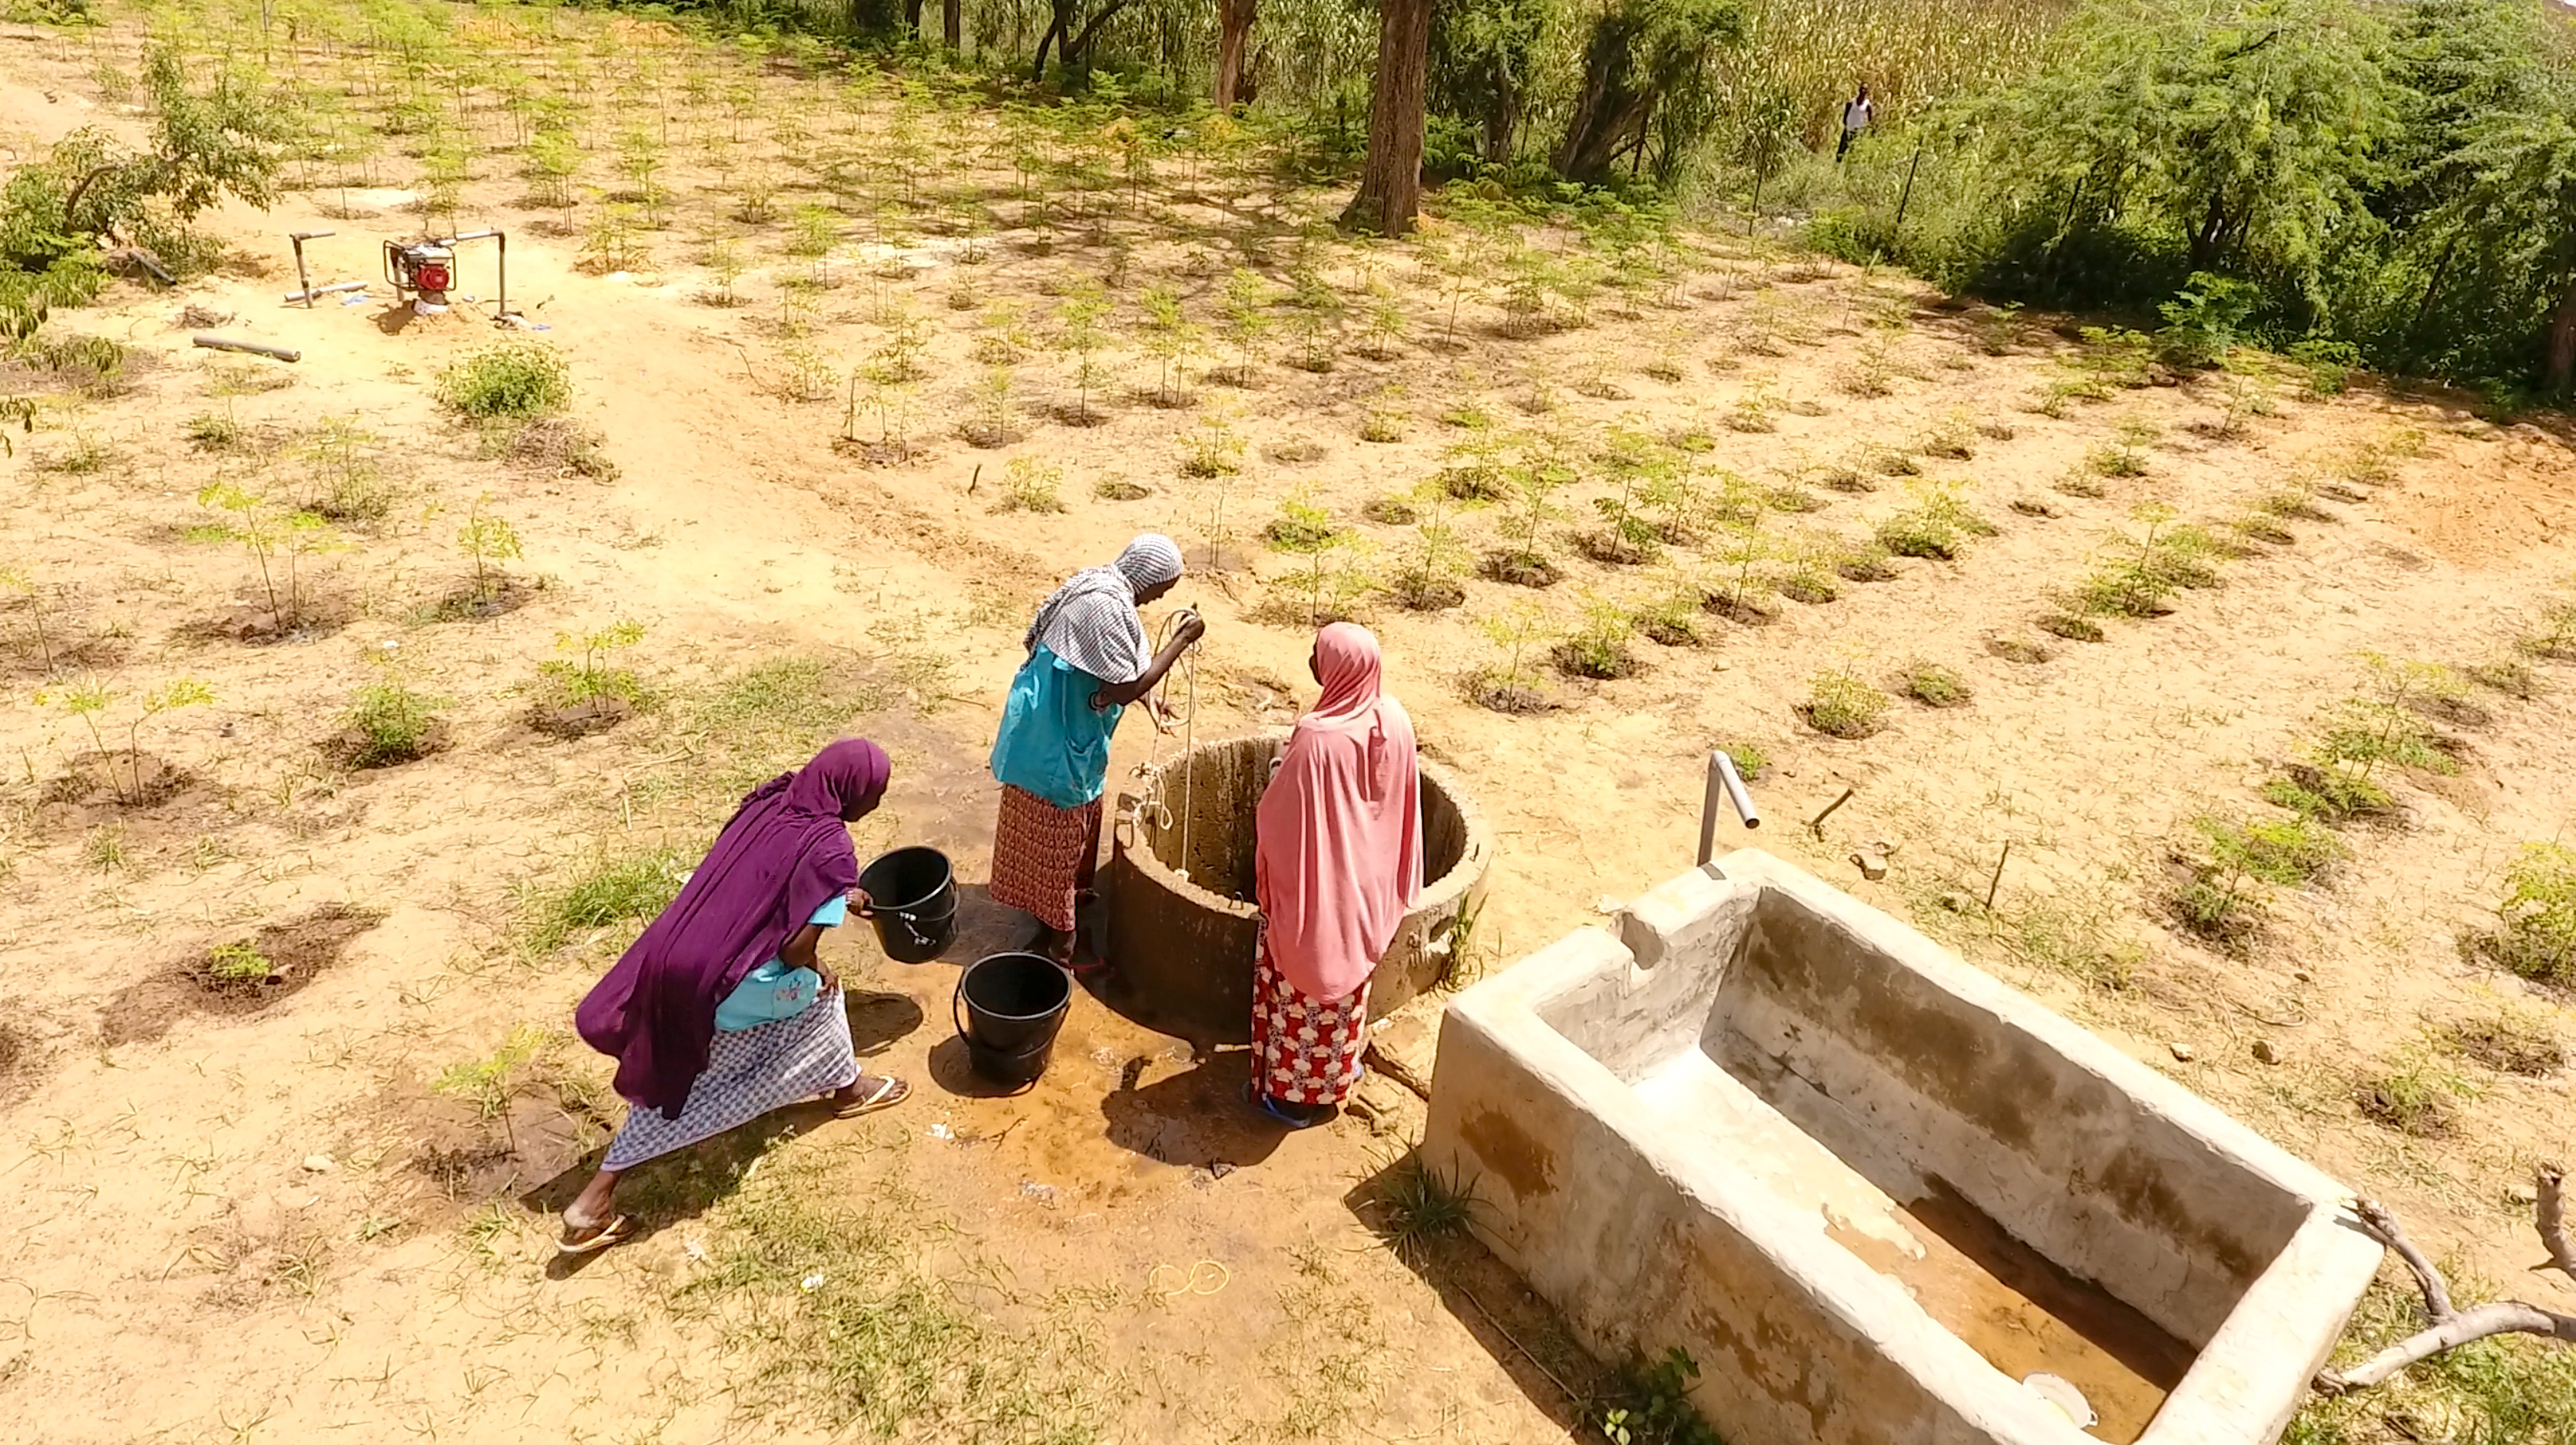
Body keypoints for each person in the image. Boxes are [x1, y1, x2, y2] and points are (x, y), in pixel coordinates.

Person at [559, 739, 910, 1254]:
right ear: (855, 791)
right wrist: (820, 955)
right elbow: (793, 953)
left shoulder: (778, 797)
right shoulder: (831, 848)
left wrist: (840, 892)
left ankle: (844, 1085)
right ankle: (593, 1200)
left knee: (686, 1063)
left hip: (681, 951)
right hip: (724, 980)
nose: (876, 804)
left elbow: (765, 870)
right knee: (818, 1000)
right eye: (876, 793)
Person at [989, 534, 1203, 966]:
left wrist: (1149, 699)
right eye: (1163, 588)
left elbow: (1108, 666)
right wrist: (1180, 641)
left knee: (1068, 834)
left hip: (1055, 730)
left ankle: (1061, 902)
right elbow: (1122, 687)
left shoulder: (1103, 585)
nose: (1160, 597)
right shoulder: (1105, 606)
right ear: (1148, 577)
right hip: (1054, 747)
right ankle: (1061, 946)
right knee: (1055, 840)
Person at [1247, 623, 1422, 1128]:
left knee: (1300, 991)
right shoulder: (1394, 718)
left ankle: (1289, 1097)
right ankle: (1341, 1075)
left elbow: (1277, 818)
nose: (1311, 660)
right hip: (1369, 887)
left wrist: (1282, 771)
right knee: (1349, 988)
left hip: (1318, 891)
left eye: (1317, 654)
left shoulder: (1317, 735)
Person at [1837, 83, 1872, 162]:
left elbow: (1870, 119)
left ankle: (1850, 169)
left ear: (1867, 92)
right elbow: (1845, 116)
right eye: (1862, 89)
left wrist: (1865, 129)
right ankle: (1836, 167)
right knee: (1841, 150)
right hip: (1849, 129)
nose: (1863, 91)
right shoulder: (1851, 102)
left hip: (1858, 131)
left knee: (1854, 151)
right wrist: (1847, 126)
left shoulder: (1868, 105)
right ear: (1859, 90)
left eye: (1865, 89)